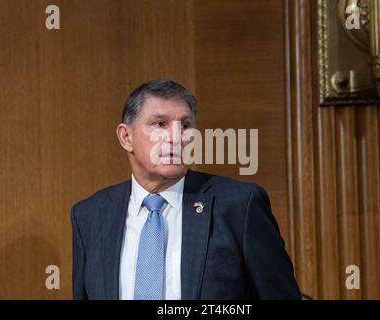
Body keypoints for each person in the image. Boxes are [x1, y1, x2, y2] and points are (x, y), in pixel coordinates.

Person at [71, 79, 301, 300]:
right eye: (160, 124)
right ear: (126, 137)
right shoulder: (90, 216)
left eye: (186, 126)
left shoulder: (239, 206)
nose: (176, 138)